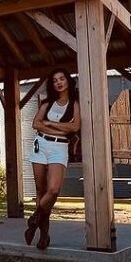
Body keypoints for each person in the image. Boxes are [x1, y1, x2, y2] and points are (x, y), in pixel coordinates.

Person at [24, 69, 81, 249]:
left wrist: (50, 124)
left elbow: (75, 126)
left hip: (59, 148)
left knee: (53, 190)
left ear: (67, 81)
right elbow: (36, 124)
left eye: (62, 78)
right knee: (41, 191)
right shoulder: (47, 103)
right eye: (55, 80)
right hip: (40, 146)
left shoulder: (74, 103)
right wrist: (60, 129)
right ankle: (44, 236)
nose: (59, 82)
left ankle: (34, 218)